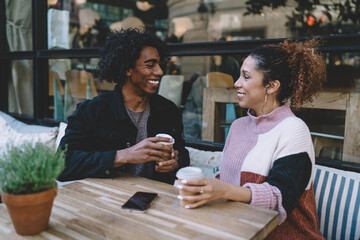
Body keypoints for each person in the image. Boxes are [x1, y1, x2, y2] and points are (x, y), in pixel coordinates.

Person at [177, 39, 326, 239]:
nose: (236, 83)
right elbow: (227, 181)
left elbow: (279, 198)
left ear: (271, 86)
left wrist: (222, 190)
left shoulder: (294, 130)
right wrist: (205, 190)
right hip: (238, 231)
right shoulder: (238, 127)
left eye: (246, 77)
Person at [58, 28, 190, 184]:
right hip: (106, 198)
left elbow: (183, 154)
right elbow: (61, 164)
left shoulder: (168, 111)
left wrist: (175, 162)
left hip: (155, 198)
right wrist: (123, 155)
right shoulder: (91, 112)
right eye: (150, 65)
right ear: (127, 68)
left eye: (160, 64)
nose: (160, 71)